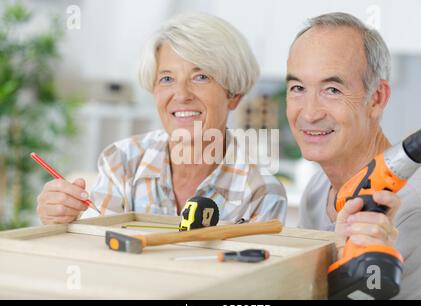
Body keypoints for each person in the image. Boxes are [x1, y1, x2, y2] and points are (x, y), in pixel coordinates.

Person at [36, 12, 287, 225]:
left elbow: (250, 278)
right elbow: (97, 251)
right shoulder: (122, 162)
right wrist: (59, 221)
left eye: (201, 77)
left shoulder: (260, 193)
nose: (181, 95)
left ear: (234, 96)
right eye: (167, 78)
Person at [286, 12, 421, 299]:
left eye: (332, 90)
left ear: (376, 98)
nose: (309, 113)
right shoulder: (317, 190)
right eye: (298, 88)